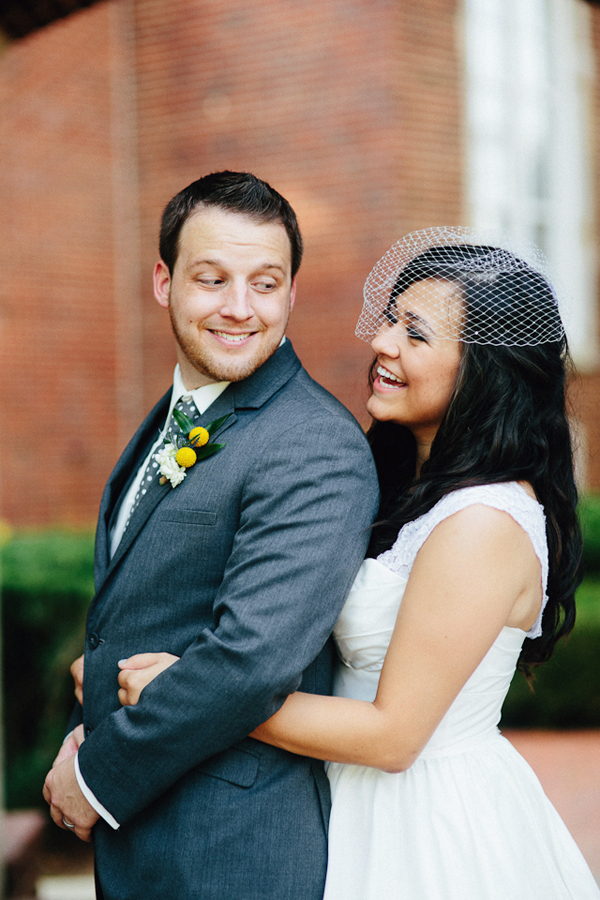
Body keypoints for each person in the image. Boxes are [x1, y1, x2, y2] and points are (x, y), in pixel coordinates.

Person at [115, 229, 600, 899]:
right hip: (344, 801)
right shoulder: (410, 487)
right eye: (391, 318)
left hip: (425, 829)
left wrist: (195, 697)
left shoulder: (482, 524)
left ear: (485, 371)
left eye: (416, 333)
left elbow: (393, 734)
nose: (382, 342)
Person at [42, 171, 379, 900]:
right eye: (211, 278)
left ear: (292, 293)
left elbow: (251, 661)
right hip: (150, 843)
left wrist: (96, 776)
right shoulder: (180, 410)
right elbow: (140, 612)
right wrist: (85, 725)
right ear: (164, 282)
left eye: (265, 283)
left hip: (229, 853)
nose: (238, 308)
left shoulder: (313, 444)